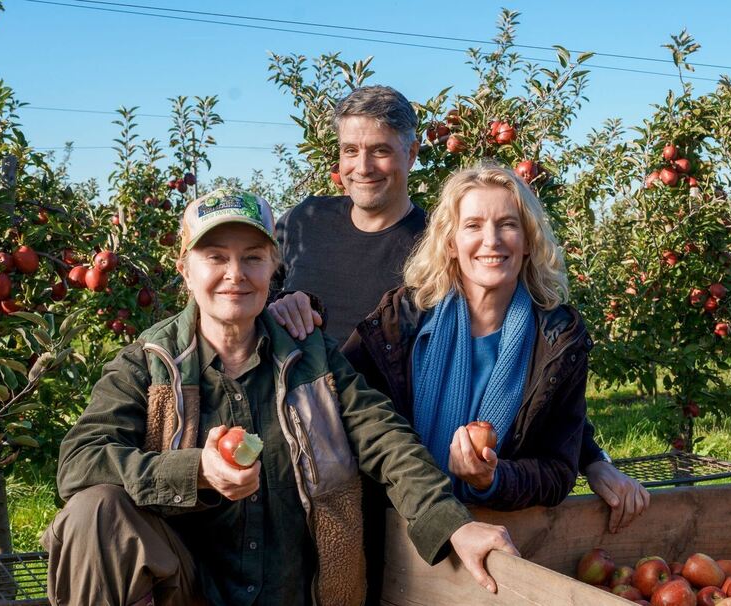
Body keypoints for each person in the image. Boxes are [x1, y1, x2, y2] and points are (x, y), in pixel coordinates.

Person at [41, 189, 518, 606]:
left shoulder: (312, 357)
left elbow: (385, 439)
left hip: (293, 591)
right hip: (186, 590)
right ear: (185, 269)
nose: (235, 274)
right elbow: (79, 463)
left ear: (274, 267)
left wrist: (453, 523)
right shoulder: (148, 364)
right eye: (215, 257)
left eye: (252, 256)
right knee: (95, 510)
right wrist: (196, 472)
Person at [268, 85, 650, 530]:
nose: (363, 167)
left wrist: (593, 459)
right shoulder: (303, 221)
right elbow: (251, 296)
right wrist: (279, 303)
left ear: (411, 154)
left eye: (380, 151)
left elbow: (540, 391)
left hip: (393, 487)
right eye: (350, 150)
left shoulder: (435, 256)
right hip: (306, 456)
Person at [343, 164, 595, 510]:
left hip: (502, 538)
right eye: (473, 225)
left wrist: (495, 478)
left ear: (527, 242)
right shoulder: (401, 319)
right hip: (398, 529)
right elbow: (348, 411)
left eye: (508, 224)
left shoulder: (557, 339)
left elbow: (558, 469)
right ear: (450, 243)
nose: (491, 240)